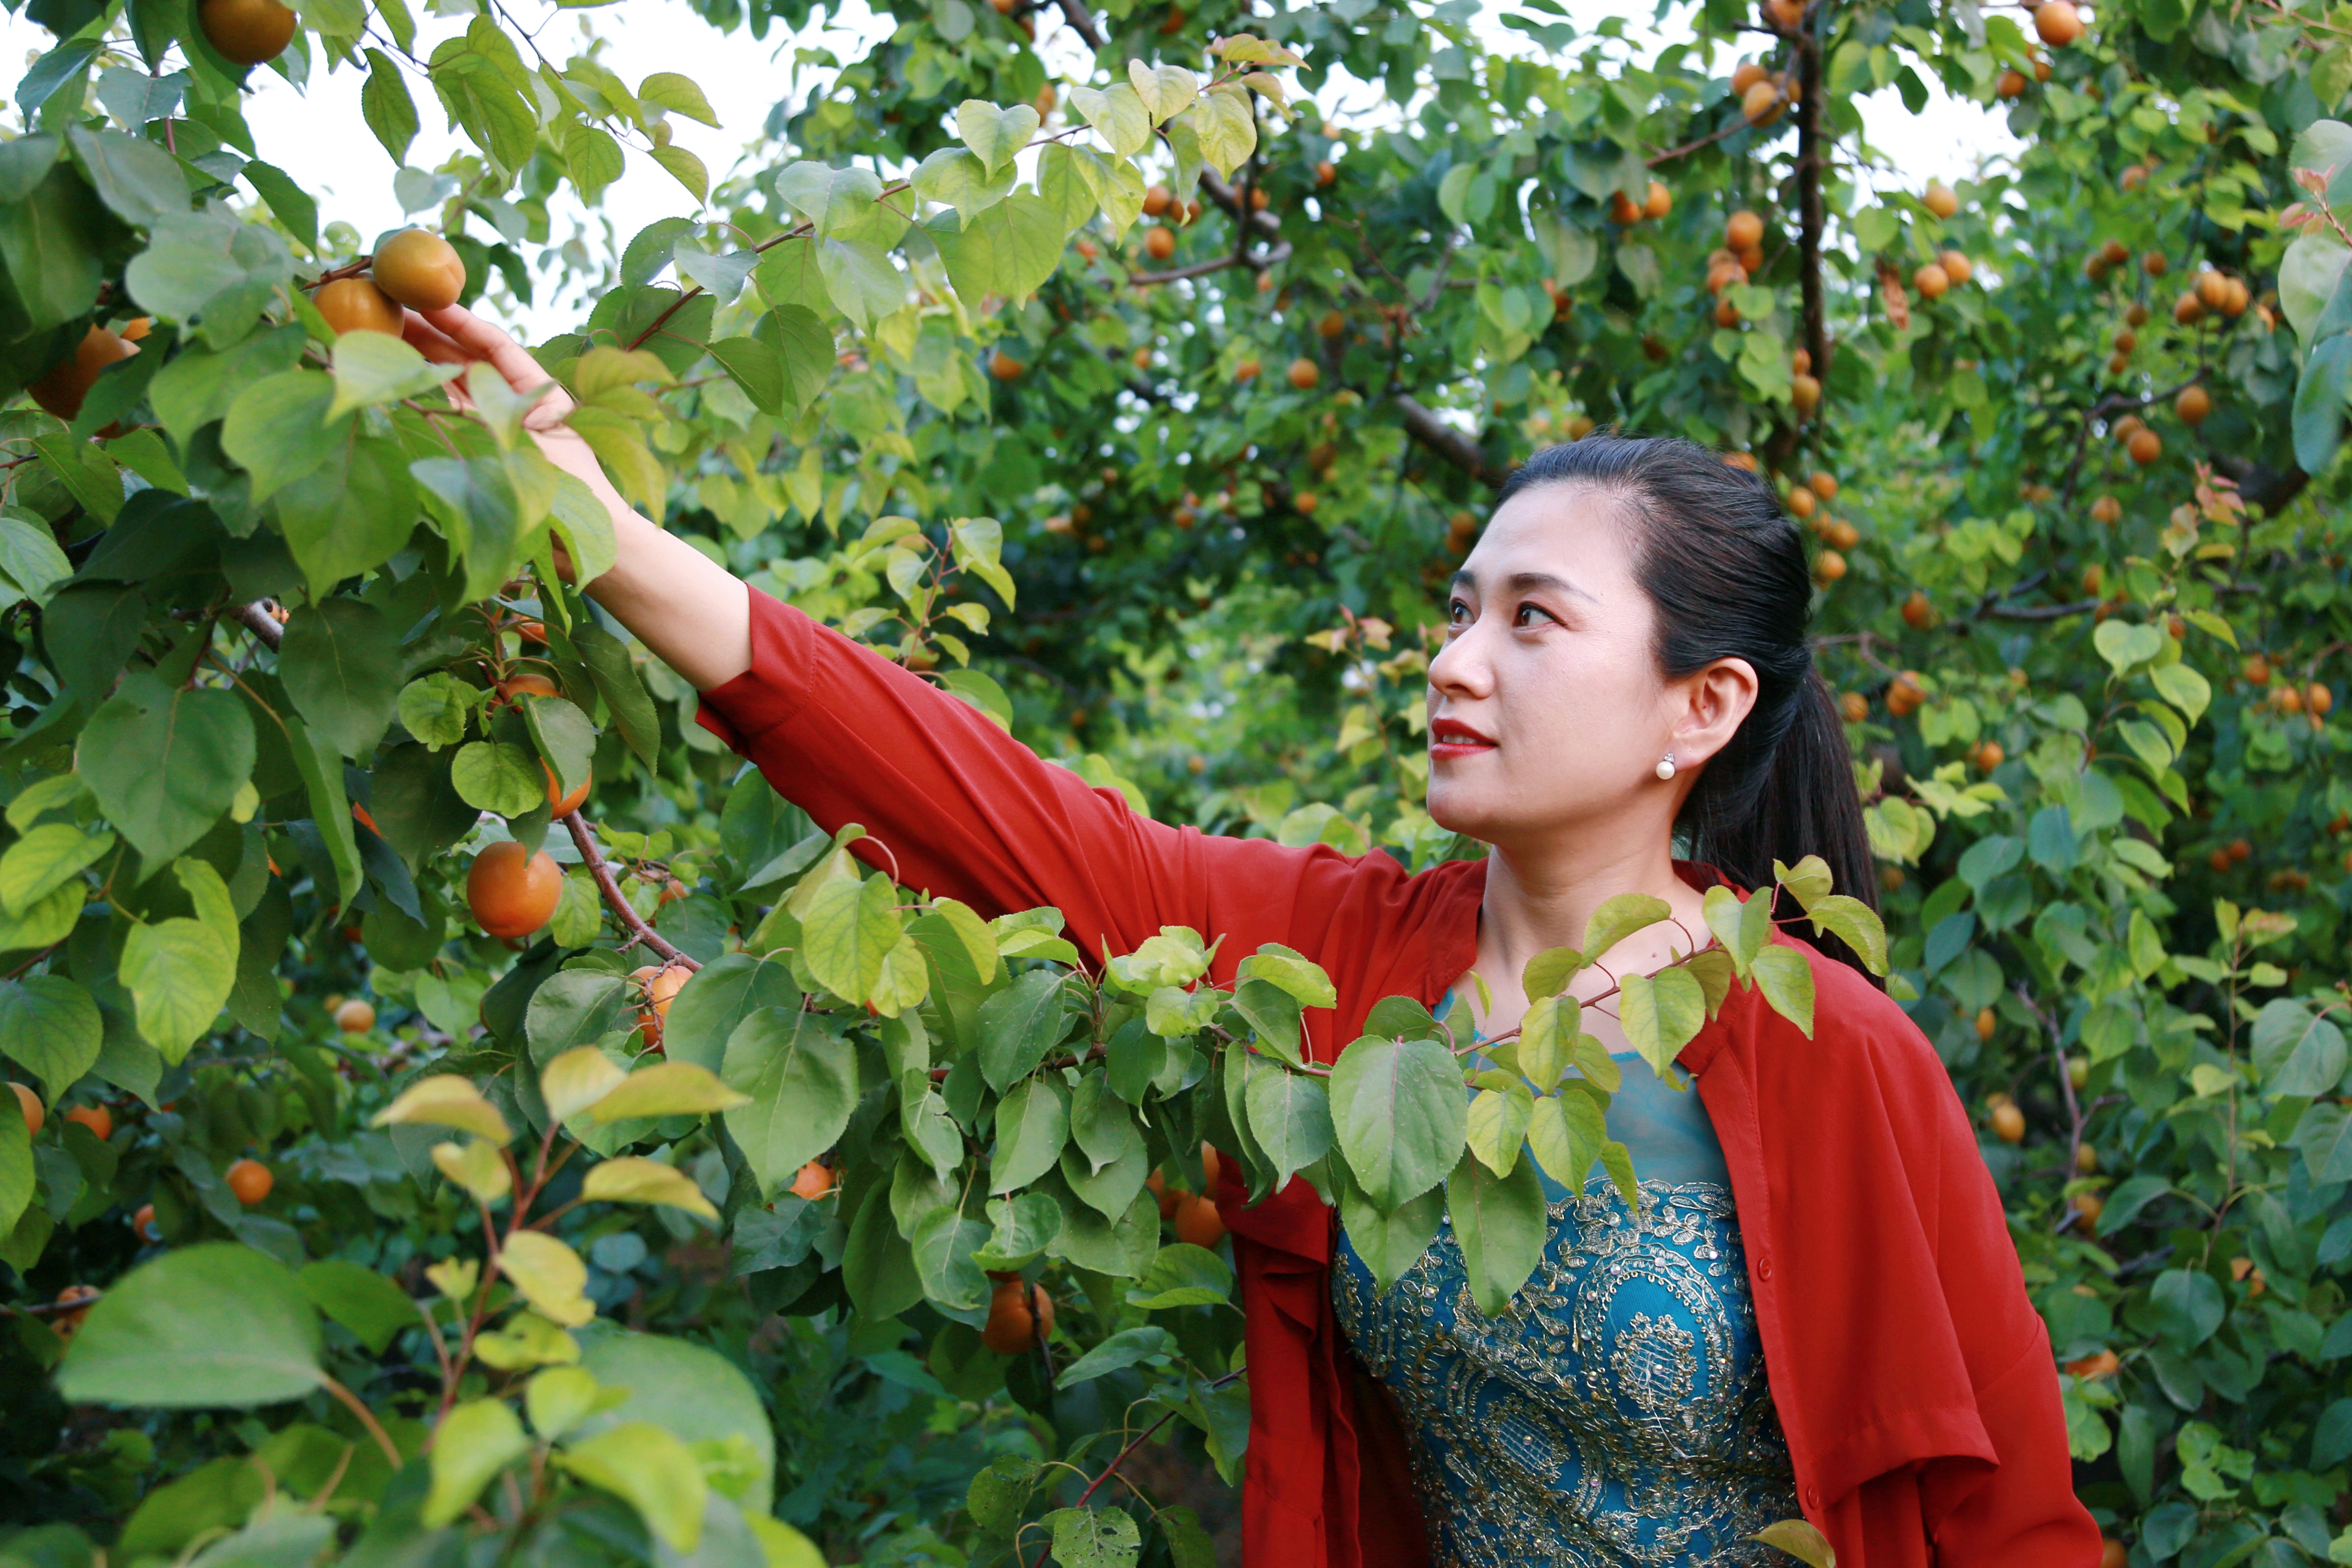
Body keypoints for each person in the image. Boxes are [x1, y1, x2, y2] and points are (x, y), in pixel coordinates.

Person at [407, 304, 2100, 1568]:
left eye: (1532, 621)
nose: (1452, 661)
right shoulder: (1342, 960)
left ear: (1700, 706)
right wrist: (597, 525)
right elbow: (984, 809)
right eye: (1458, 611)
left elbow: (2008, 1519)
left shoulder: (1828, 1054)